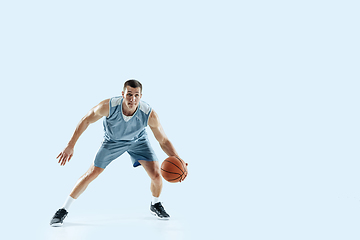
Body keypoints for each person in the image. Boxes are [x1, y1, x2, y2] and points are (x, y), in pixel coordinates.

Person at [50, 79, 187, 227]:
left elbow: (164, 141)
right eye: (129, 94)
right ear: (123, 94)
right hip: (112, 142)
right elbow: (86, 120)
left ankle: (155, 204)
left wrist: (178, 159)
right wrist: (70, 145)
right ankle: (63, 210)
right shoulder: (107, 106)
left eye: (136, 95)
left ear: (141, 96)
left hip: (138, 141)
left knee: (156, 175)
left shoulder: (149, 114)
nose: (132, 99)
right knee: (92, 173)